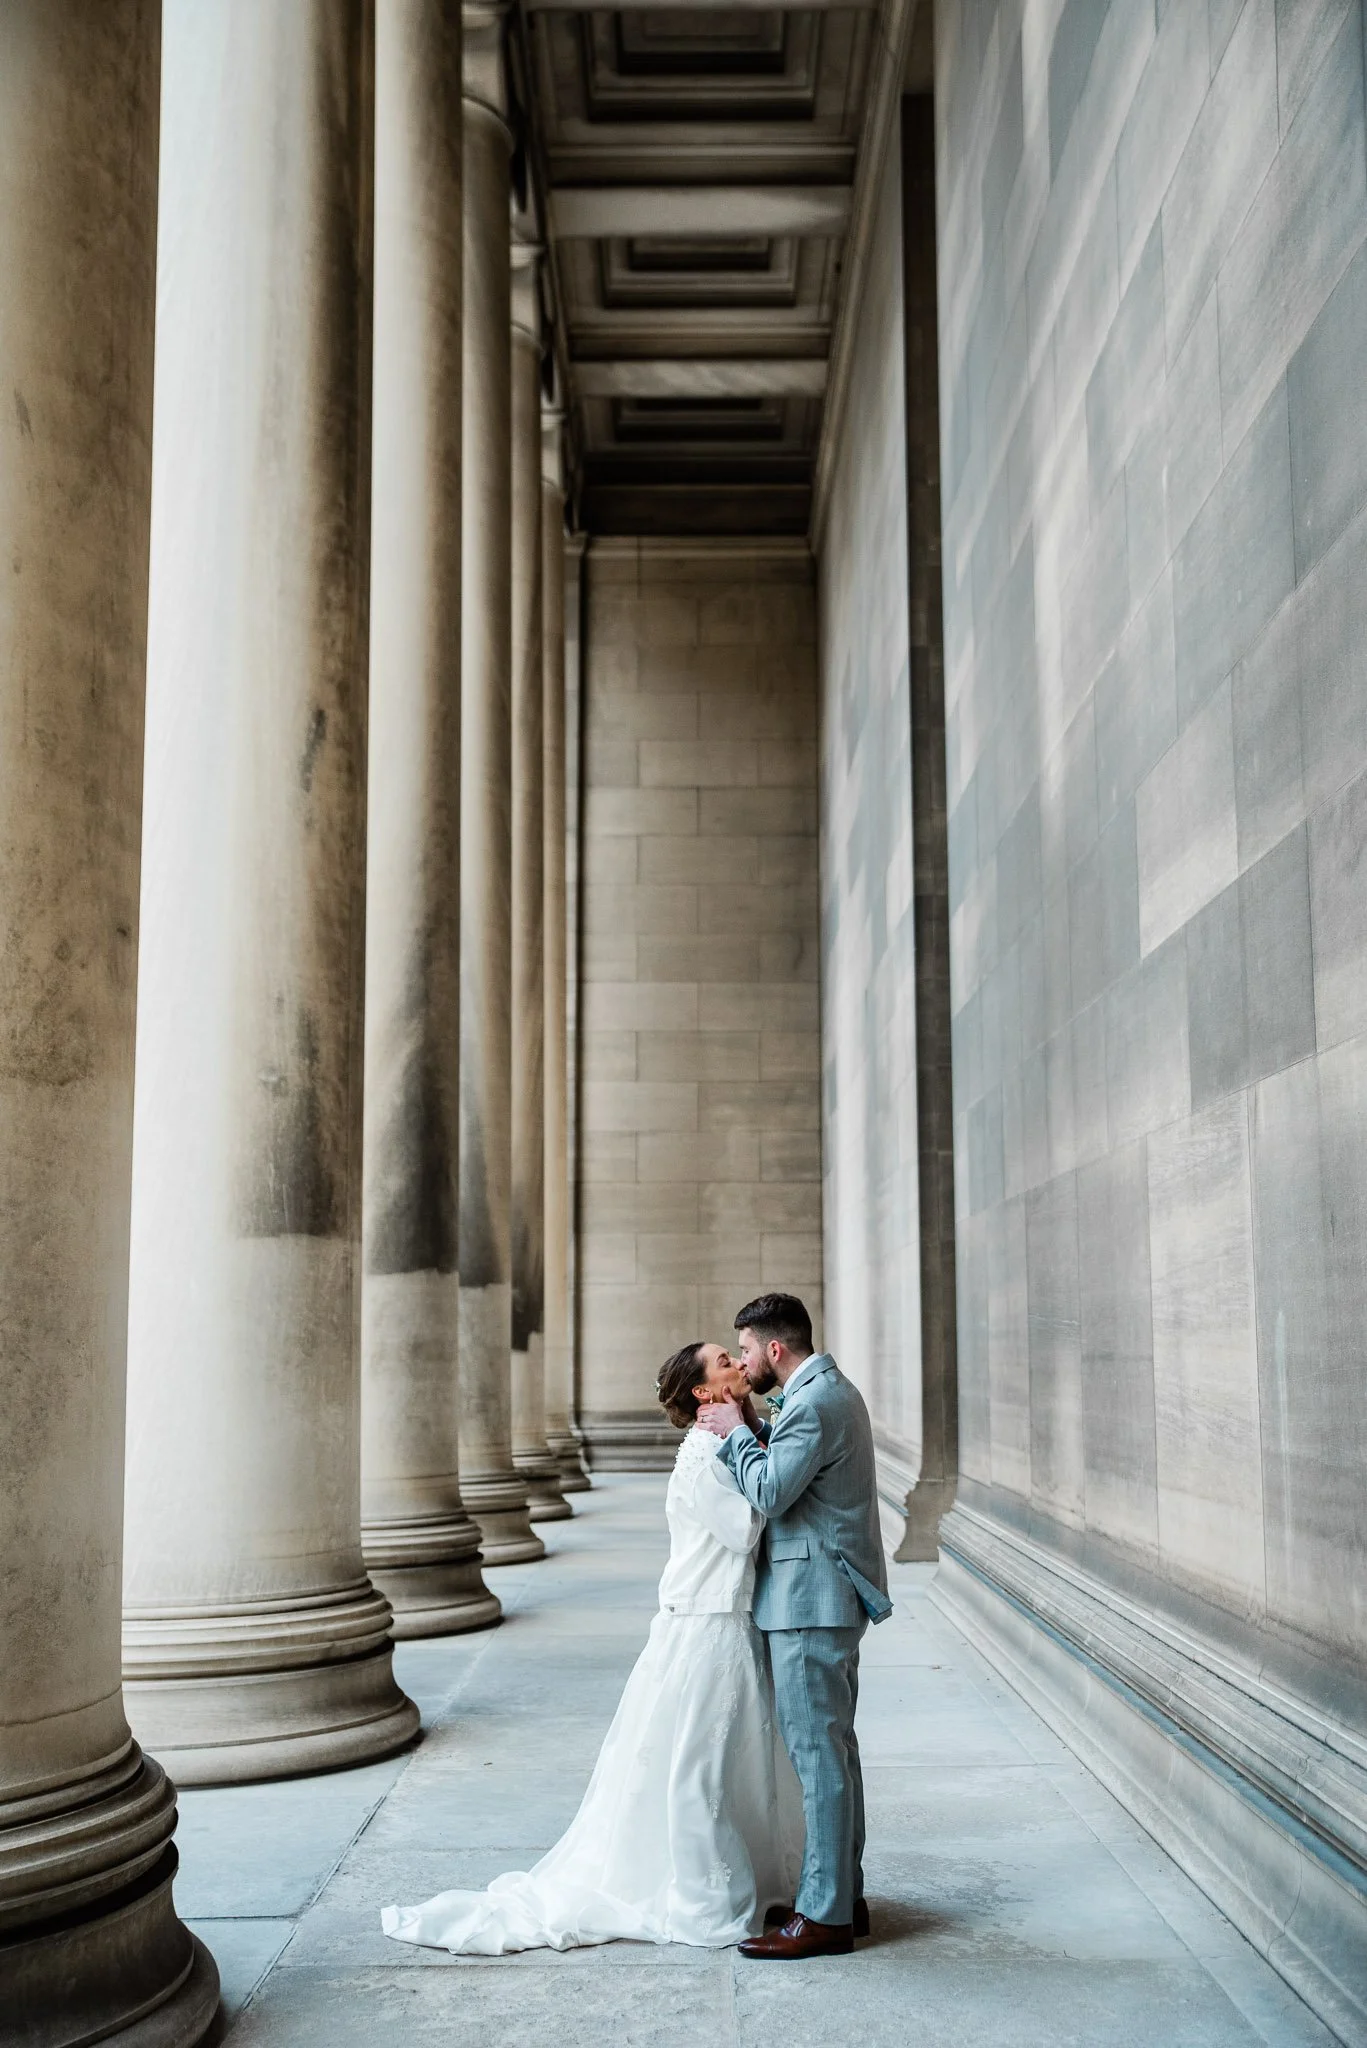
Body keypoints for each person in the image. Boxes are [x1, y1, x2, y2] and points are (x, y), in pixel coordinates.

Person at [379, 1341, 801, 1955]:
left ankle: (758, 1878)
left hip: (730, 1622)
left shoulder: (726, 1441)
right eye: (723, 1360)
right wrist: (754, 1456)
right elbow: (742, 1531)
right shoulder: (703, 1456)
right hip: (704, 1626)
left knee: (739, 1763)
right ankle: (703, 1899)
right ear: (705, 1394)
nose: (740, 1364)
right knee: (696, 1771)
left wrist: (753, 1439)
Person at [697, 1291, 890, 1960]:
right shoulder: (825, 1392)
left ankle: (825, 1916)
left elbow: (772, 1492)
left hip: (809, 1602)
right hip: (821, 1597)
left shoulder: (811, 1403)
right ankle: (840, 1894)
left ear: (774, 1349)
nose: (743, 1360)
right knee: (834, 1754)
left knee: (818, 1760)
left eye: (745, 1349)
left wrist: (736, 1437)